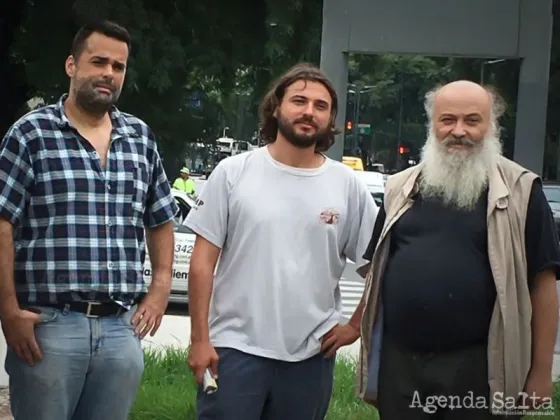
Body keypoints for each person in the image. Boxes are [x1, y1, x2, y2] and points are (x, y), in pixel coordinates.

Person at [0, 20, 178, 420]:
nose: (108, 74)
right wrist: (8, 311)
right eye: (98, 62)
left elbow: (161, 216)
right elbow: (2, 224)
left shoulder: (139, 138)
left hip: (120, 328)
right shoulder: (31, 135)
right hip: (50, 325)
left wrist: (161, 285)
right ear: (71, 66)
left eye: (118, 67)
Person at [352, 80, 560, 419]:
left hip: (481, 367)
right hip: (401, 366)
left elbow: (543, 286)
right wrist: (352, 326)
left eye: (472, 121)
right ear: (432, 125)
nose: (458, 131)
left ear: (491, 127)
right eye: (447, 120)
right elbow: (377, 272)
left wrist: (540, 373)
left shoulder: (522, 191)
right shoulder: (400, 188)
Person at [185, 62, 377, 420]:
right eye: (299, 101)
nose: (309, 111)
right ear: (276, 107)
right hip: (233, 350)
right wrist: (199, 339)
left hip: (310, 357)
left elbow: (380, 266)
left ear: (331, 117)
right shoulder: (233, 173)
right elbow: (202, 262)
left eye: (321, 106)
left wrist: (355, 325)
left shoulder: (347, 185)